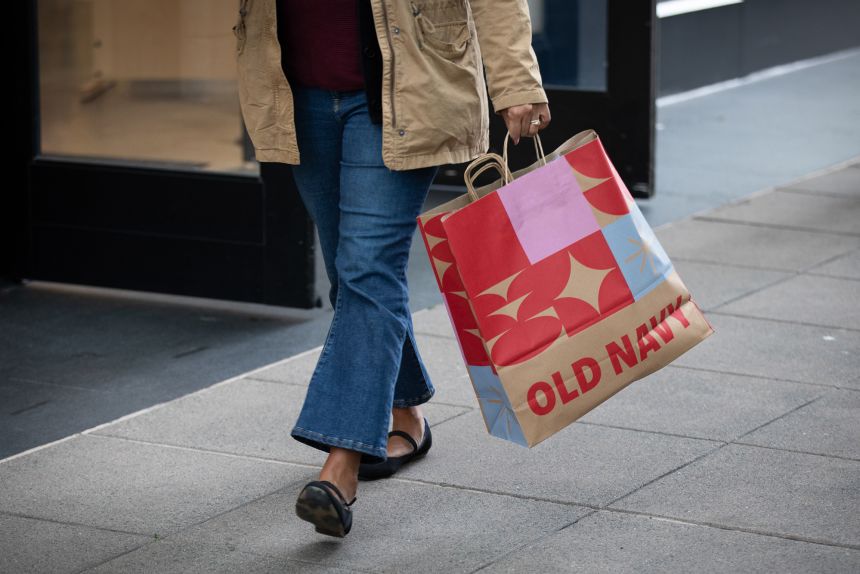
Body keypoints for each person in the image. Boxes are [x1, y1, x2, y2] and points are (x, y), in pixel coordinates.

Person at [234, 0, 550, 538]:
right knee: (352, 274)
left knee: (366, 268)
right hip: (298, 88)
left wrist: (516, 81)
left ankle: (342, 464)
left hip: (409, 87)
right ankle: (405, 415)